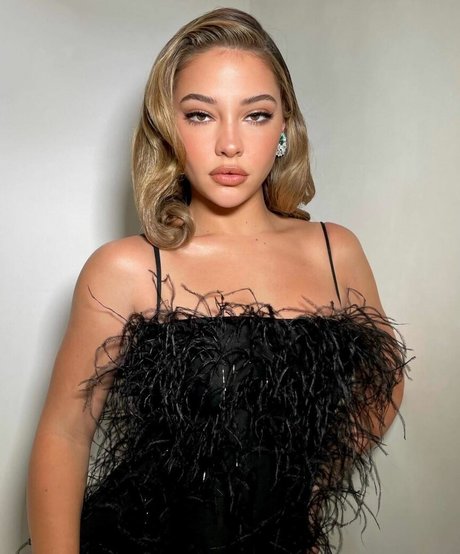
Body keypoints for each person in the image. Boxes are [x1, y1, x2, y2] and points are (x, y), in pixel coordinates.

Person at [25, 7, 408, 554]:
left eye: (256, 115)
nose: (230, 143)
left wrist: (310, 484)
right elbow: (65, 434)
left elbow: (385, 379)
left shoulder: (334, 251)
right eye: (201, 115)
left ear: (284, 128)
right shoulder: (126, 269)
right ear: (169, 127)